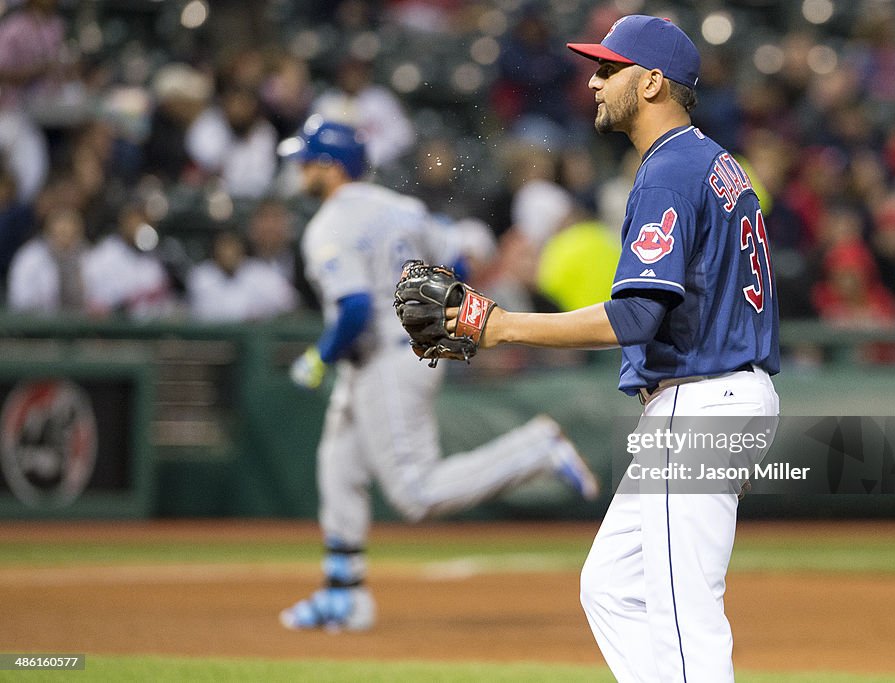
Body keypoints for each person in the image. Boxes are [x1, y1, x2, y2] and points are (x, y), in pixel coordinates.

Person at [443, 16, 780, 681]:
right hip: (726, 391)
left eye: (609, 68)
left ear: (652, 81)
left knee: (685, 608)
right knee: (611, 583)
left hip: (702, 399)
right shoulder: (716, 164)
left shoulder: (669, 171)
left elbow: (634, 315)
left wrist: (500, 325)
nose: (594, 81)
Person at [277, 117, 599, 632]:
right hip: (410, 345)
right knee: (338, 467)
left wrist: (319, 358)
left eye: (308, 160)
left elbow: (355, 308)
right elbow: (460, 265)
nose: (301, 169)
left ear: (331, 167)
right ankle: (343, 594)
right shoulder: (401, 209)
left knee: (415, 491)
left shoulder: (328, 226)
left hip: (385, 355)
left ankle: (535, 450)